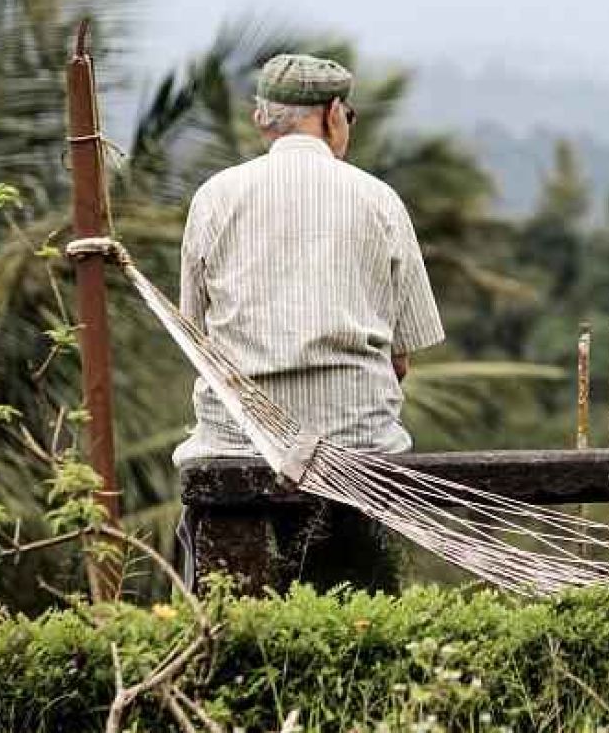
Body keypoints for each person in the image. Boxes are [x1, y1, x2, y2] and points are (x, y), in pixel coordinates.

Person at [172, 54, 445, 581]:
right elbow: (401, 361)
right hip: (356, 447)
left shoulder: (214, 198)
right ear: (335, 114)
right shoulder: (379, 199)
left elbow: (195, 339)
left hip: (236, 443)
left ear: (261, 119)